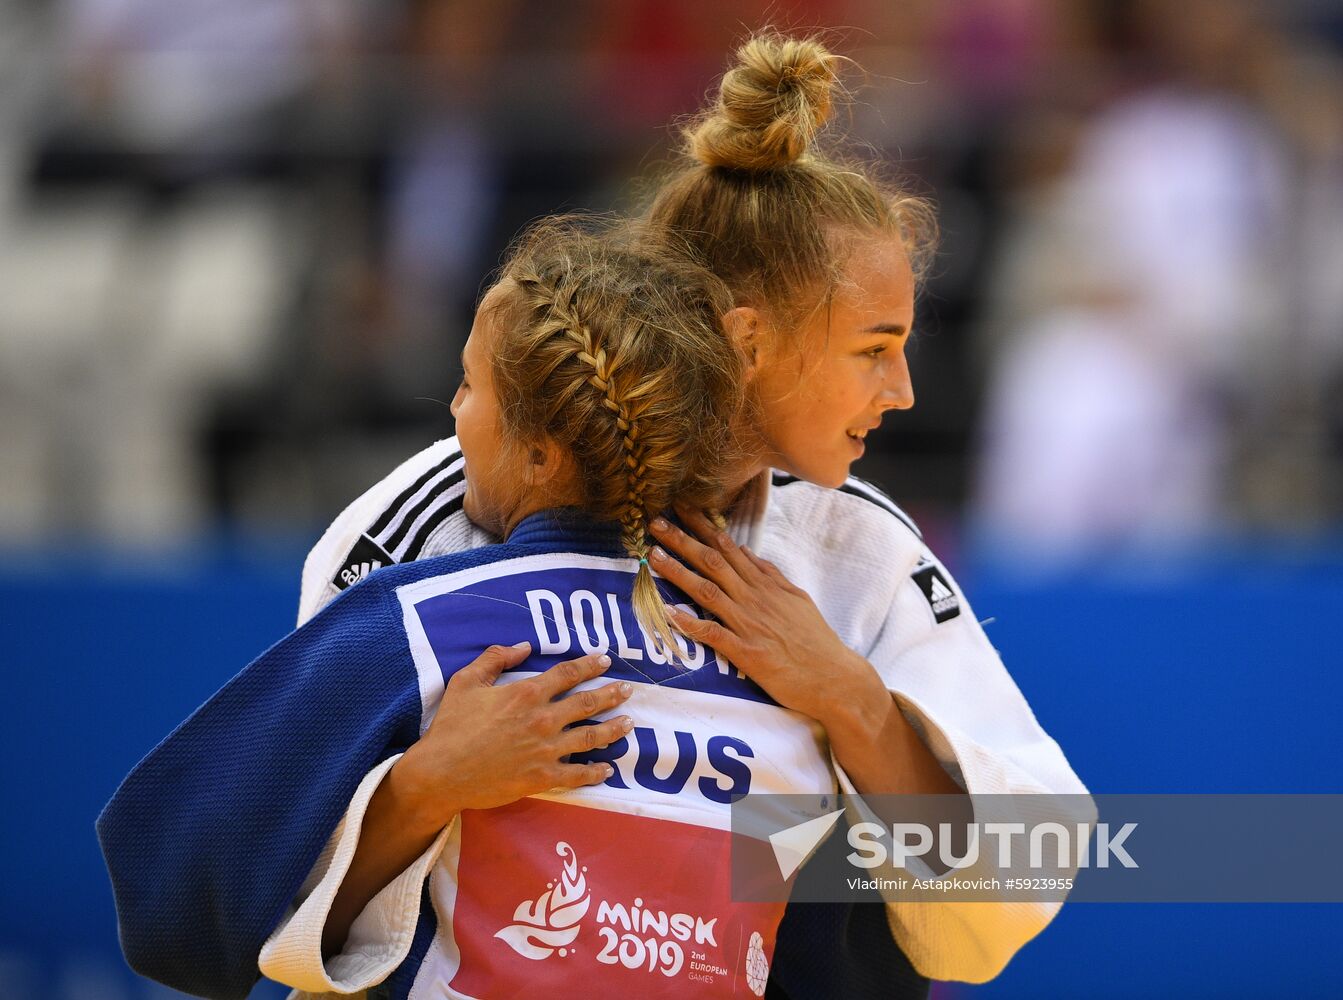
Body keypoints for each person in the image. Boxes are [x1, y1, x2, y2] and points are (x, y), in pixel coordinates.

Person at [102, 32, 1090, 1000]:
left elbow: (1024, 872)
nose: (905, 388)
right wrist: (417, 790)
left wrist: (849, 700)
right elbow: (255, 866)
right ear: (748, 342)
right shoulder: (435, 523)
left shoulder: (860, 552)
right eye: (872, 347)